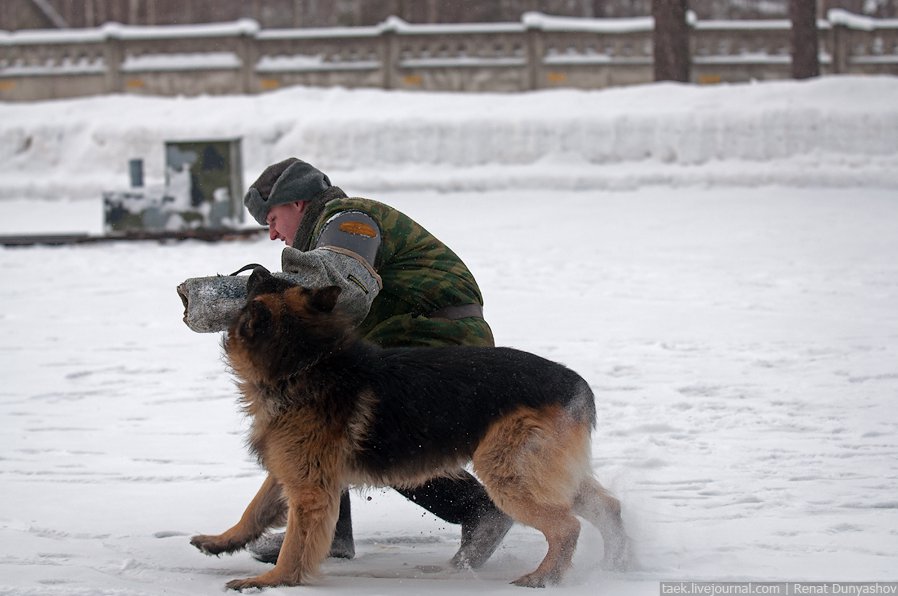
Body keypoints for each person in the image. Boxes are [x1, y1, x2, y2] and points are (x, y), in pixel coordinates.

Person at [228, 157, 512, 569]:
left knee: (377, 436)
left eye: (272, 219)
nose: (272, 234)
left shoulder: (347, 220)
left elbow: (346, 280)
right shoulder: (321, 239)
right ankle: (331, 536)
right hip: (413, 339)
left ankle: (478, 510)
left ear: (299, 203)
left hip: (436, 336)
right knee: (328, 405)